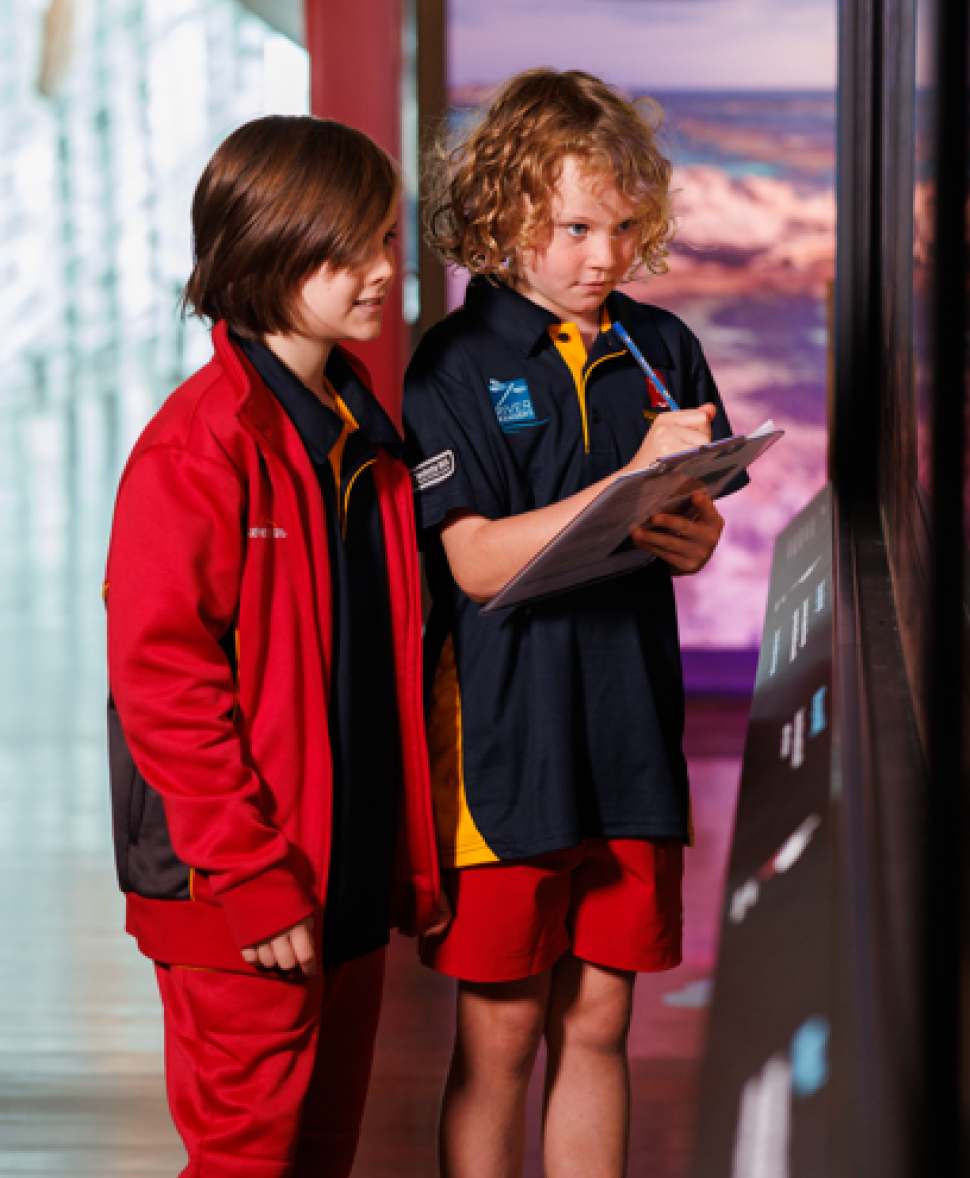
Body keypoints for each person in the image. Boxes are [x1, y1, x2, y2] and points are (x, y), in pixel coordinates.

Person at [403, 69, 747, 1178]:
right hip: (509, 741)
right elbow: (471, 560)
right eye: (574, 228)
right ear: (499, 221)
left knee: (600, 1025)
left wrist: (695, 536)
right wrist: (625, 482)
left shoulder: (663, 347)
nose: (604, 256)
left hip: (631, 732)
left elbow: (688, 518)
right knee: (498, 1036)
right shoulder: (453, 365)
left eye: (622, 227)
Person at [105, 115, 447, 1178]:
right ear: (265, 248)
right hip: (239, 891)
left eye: (387, 240)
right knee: (248, 1159)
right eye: (347, 248)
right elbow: (162, 686)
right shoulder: (195, 448)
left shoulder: (362, 431)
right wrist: (251, 877)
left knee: (321, 1155)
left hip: (338, 870)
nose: (382, 271)